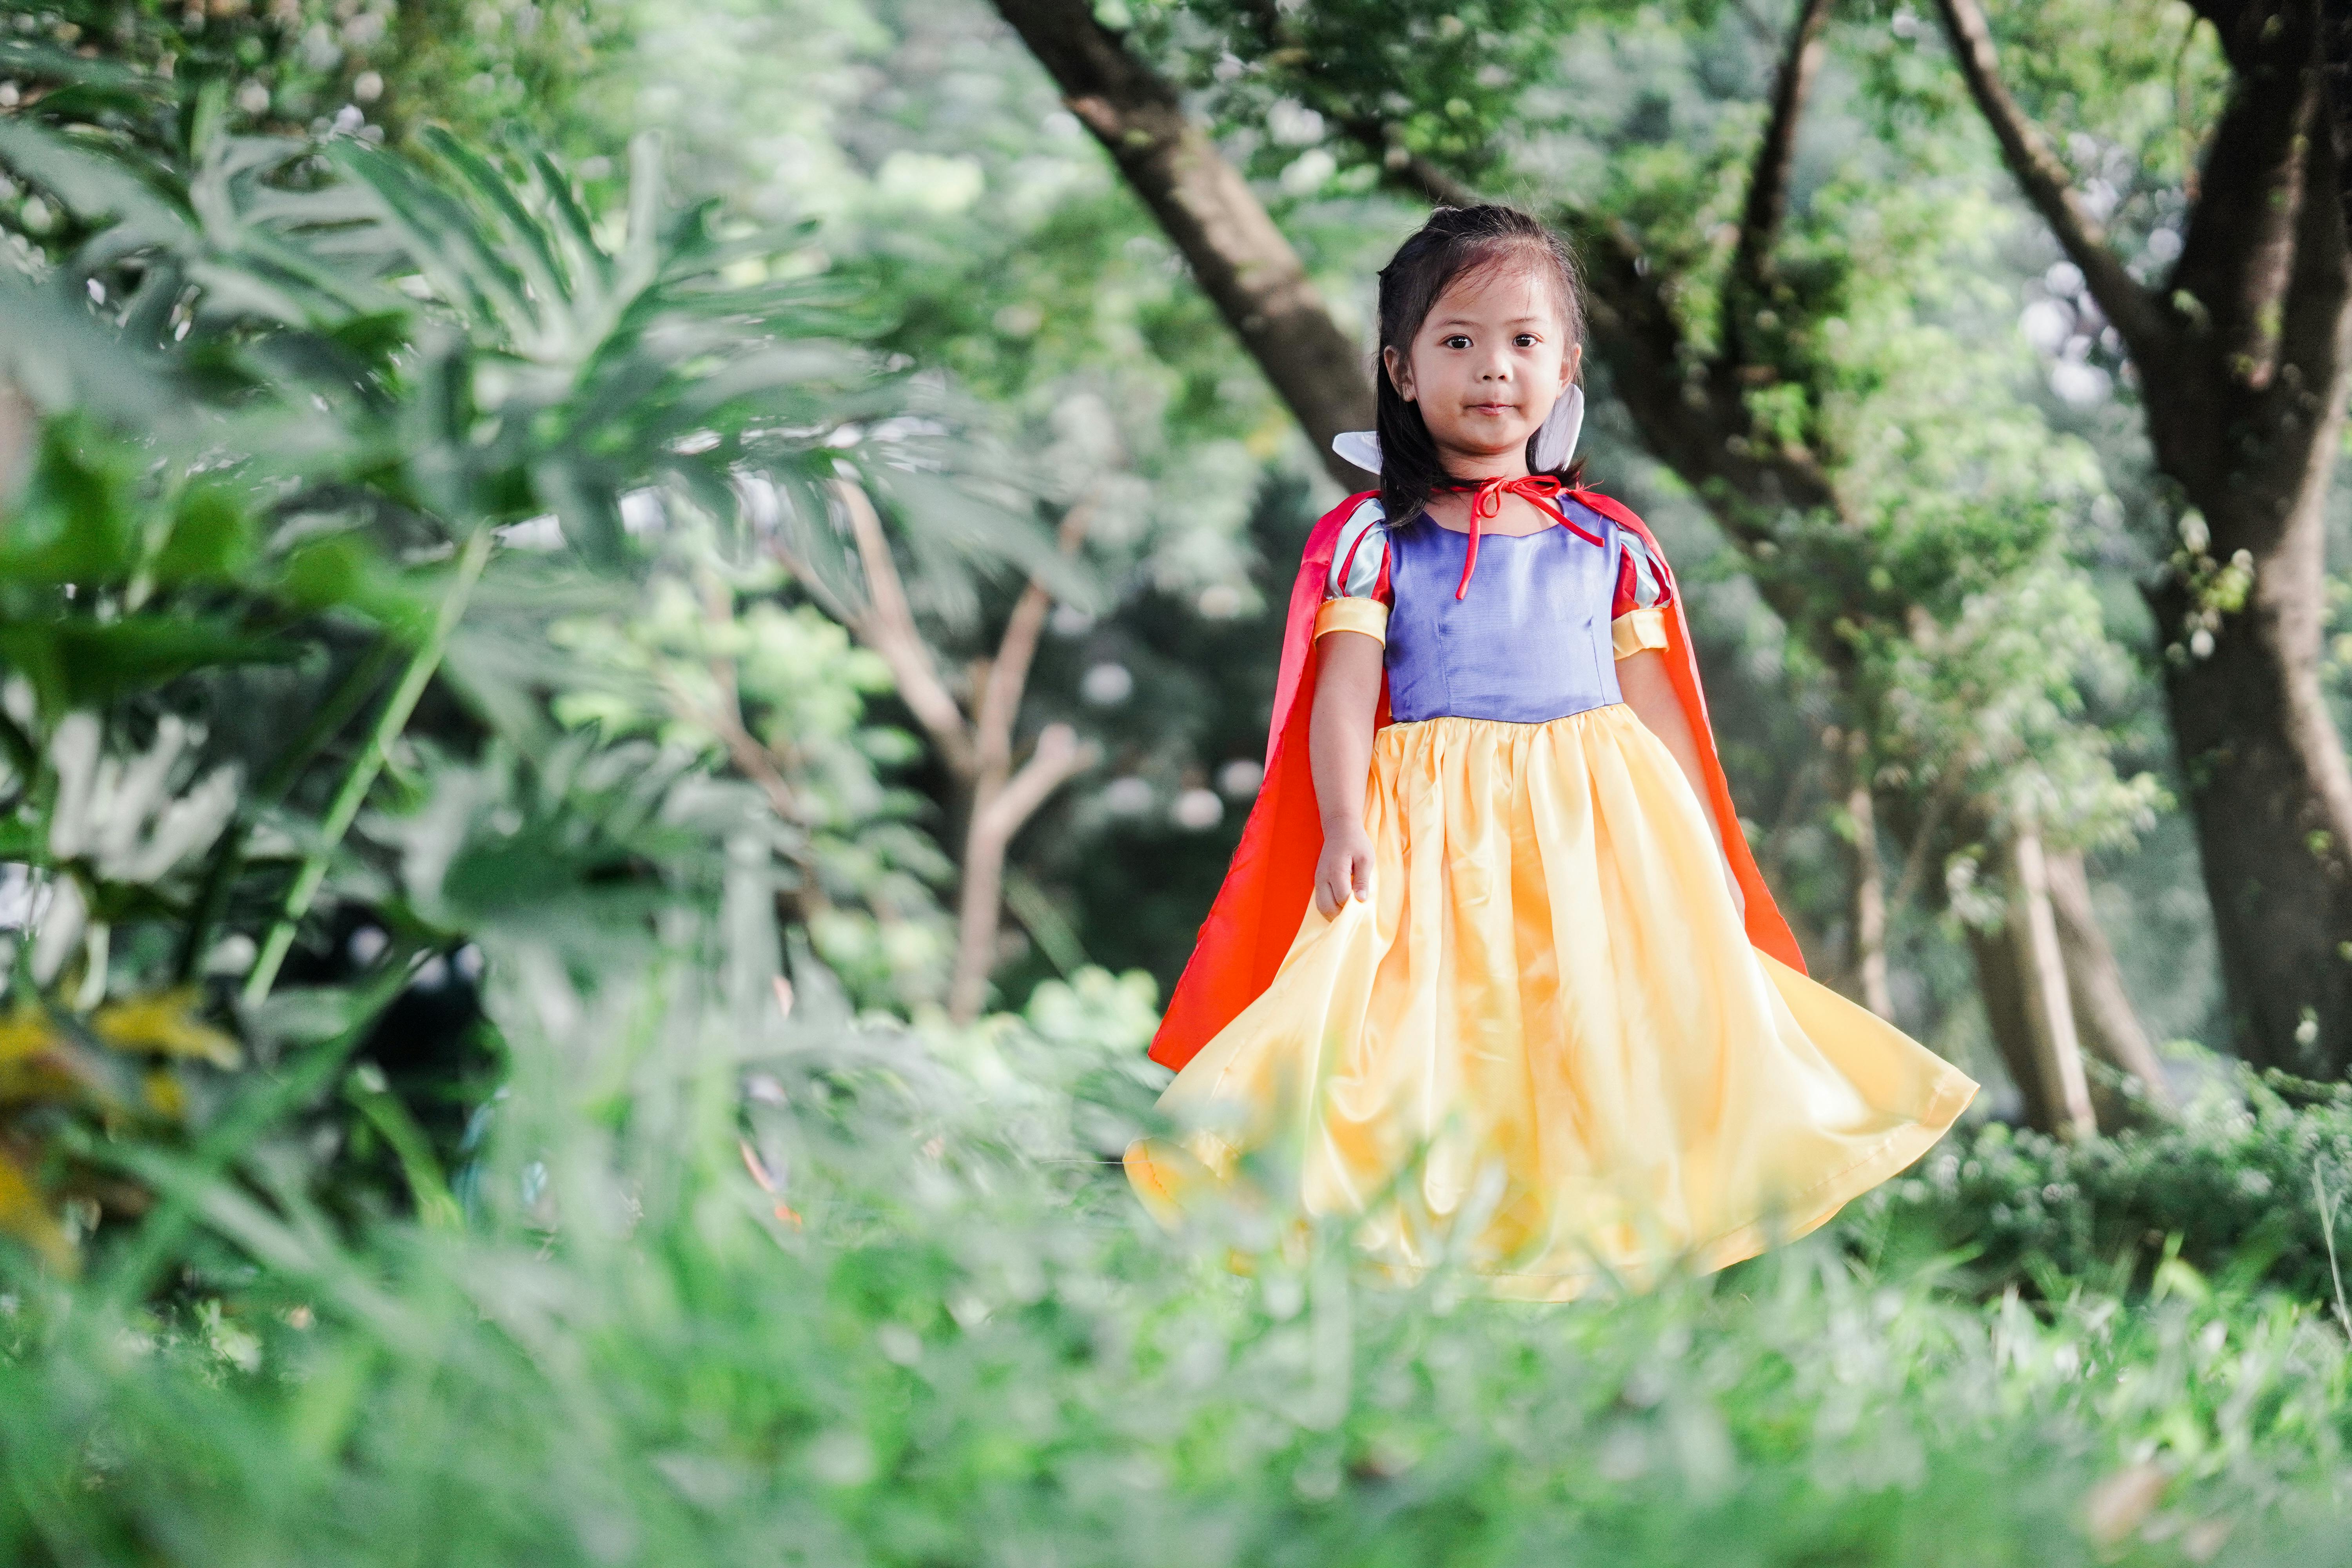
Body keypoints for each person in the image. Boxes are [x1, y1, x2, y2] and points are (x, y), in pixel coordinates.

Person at [1125, 205, 1976, 1301]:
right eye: (1459, 341)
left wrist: (1705, 849)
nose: (1494, 370)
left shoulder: (1608, 540)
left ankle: (1585, 1249)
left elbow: (1659, 707)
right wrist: (1343, 823)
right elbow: (1339, 694)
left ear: (1568, 366)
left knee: (1594, 1032)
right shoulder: (1374, 539)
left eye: (1526, 342)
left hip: (1594, 829)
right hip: (1429, 829)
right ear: (1401, 368)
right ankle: (1414, 1246)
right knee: (1413, 1036)